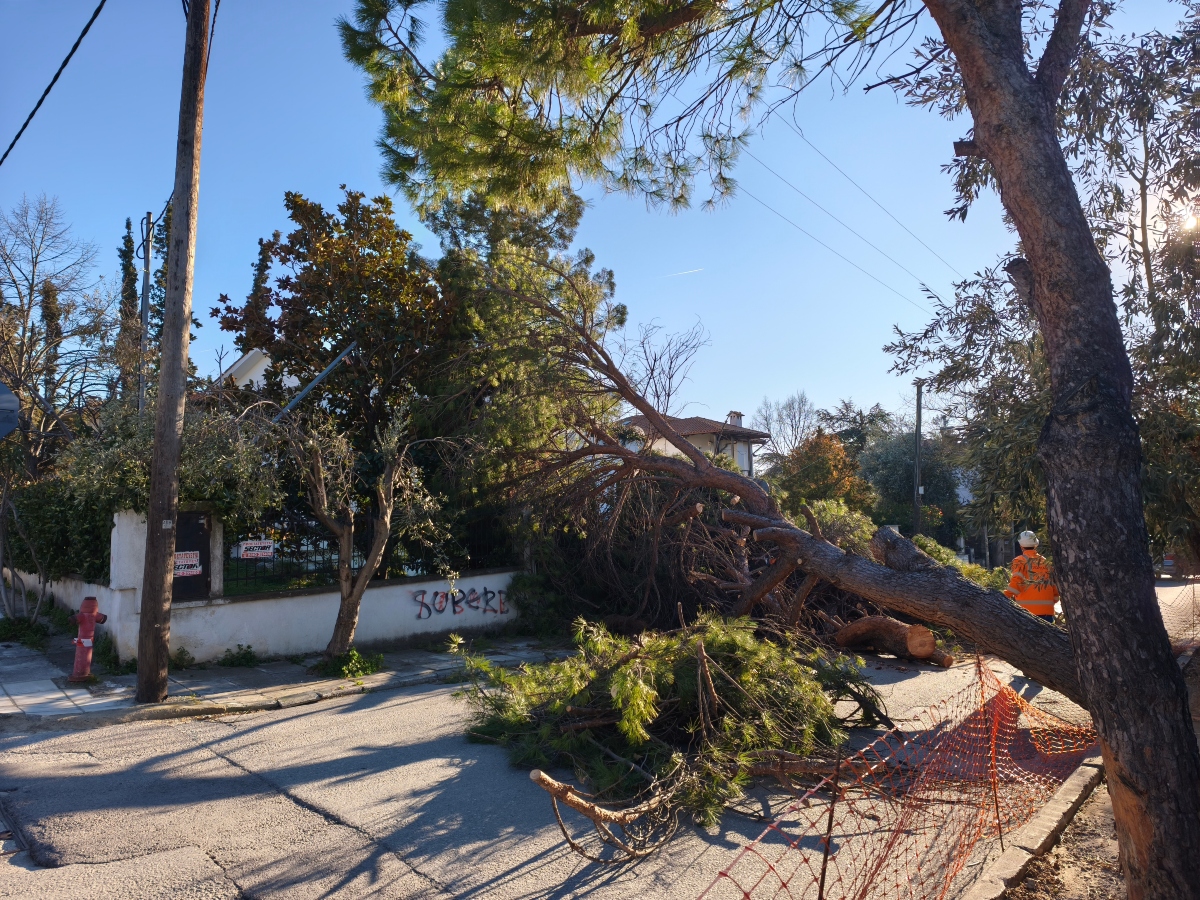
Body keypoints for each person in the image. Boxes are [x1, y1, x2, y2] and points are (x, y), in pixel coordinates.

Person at [1004, 531, 1059, 621]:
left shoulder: (1020, 561)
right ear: (1036, 545)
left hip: (1027, 612)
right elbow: (1054, 588)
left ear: (1021, 546)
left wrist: (1004, 596)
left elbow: (1016, 582)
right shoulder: (1045, 562)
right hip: (1047, 612)